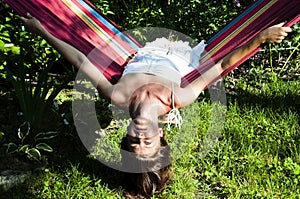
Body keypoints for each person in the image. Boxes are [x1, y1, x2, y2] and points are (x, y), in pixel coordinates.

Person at [20, 13, 292, 198]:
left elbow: (81, 61)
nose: (140, 139)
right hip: (183, 55)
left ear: (126, 134)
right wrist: (261, 37)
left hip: (144, 51)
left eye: (133, 144)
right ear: (161, 136)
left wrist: (42, 30)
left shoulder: (116, 95)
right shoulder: (179, 97)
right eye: (147, 144)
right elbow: (220, 65)